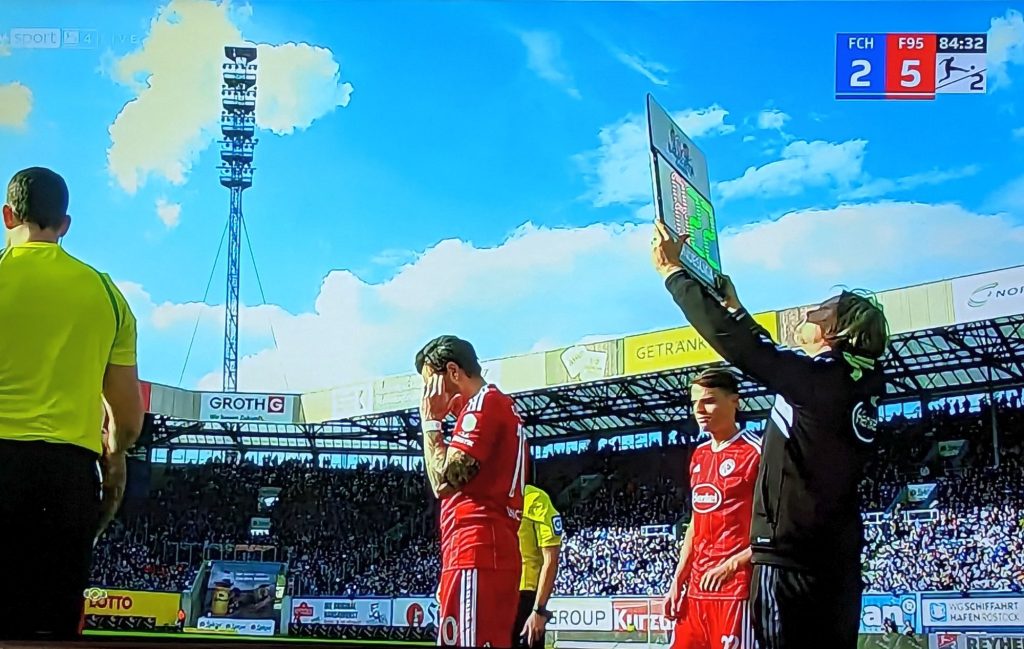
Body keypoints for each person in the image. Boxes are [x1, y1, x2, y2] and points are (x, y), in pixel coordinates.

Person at [651, 219, 890, 649]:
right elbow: (774, 356)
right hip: (835, 563)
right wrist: (737, 309)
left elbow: (745, 349)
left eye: (819, 310)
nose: (807, 313)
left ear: (833, 331)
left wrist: (674, 276)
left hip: (791, 564)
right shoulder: (856, 381)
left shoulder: (822, 381)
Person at [0, 167, 144, 640]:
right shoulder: (106, 294)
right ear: (65, 224)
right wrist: (115, 453)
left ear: (8, 216)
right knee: (51, 628)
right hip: (67, 477)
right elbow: (127, 422)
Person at [416, 335, 528, 648]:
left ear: (453, 372)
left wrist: (430, 423)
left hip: (476, 550)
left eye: (430, 385)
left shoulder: (483, 405)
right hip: (485, 551)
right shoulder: (499, 406)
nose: (428, 396)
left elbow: (443, 482)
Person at [663, 368, 759, 649]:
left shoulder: (757, 451)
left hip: (736, 592)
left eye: (709, 401)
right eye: (695, 403)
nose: (699, 410)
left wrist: (732, 564)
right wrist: (678, 580)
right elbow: (697, 522)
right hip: (695, 592)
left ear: (735, 402)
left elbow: (779, 524)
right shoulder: (700, 454)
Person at [515, 480, 563, 649]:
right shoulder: (493, 497)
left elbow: (551, 559)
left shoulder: (535, 498)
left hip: (525, 595)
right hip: (496, 593)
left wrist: (538, 610)